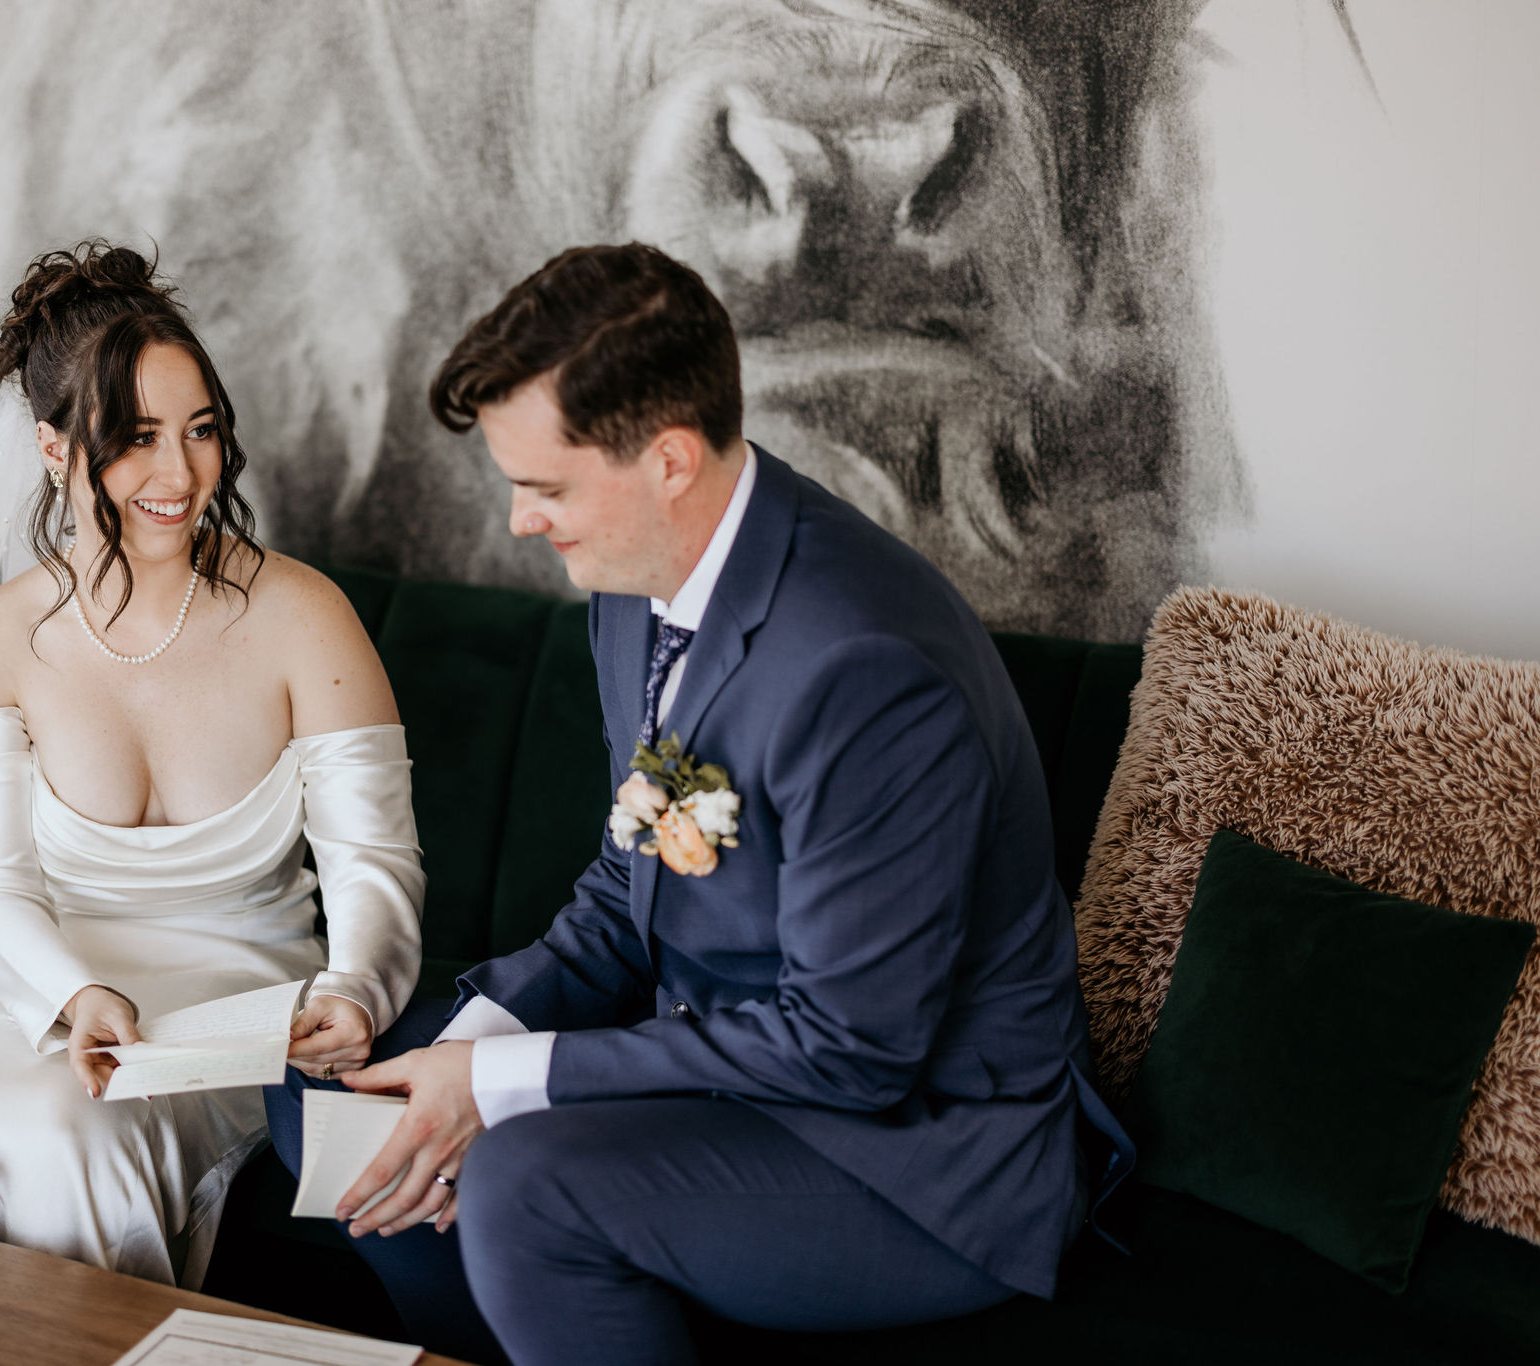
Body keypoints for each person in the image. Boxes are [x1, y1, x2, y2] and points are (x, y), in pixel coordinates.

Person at [265, 242, 1134, 1365]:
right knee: (329, 1079)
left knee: (526, 1180)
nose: (521, 521)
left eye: (543, 486)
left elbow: (851, 1048)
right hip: (717, 1062)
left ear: (666, 459)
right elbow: (628, 884)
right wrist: (472, 1041)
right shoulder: (634, 579)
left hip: (916, 1148)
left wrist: (502, 1085)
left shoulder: (861, 669)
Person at [0, 242, 424, 1287]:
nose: (180, 473)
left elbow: (372, 858)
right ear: (54, 449)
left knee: (71, 1127)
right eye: (137, 438)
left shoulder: (304, 617)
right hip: (30, 974)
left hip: (235, 983)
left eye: (201, 430)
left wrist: (359, 988)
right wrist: (74, 993)